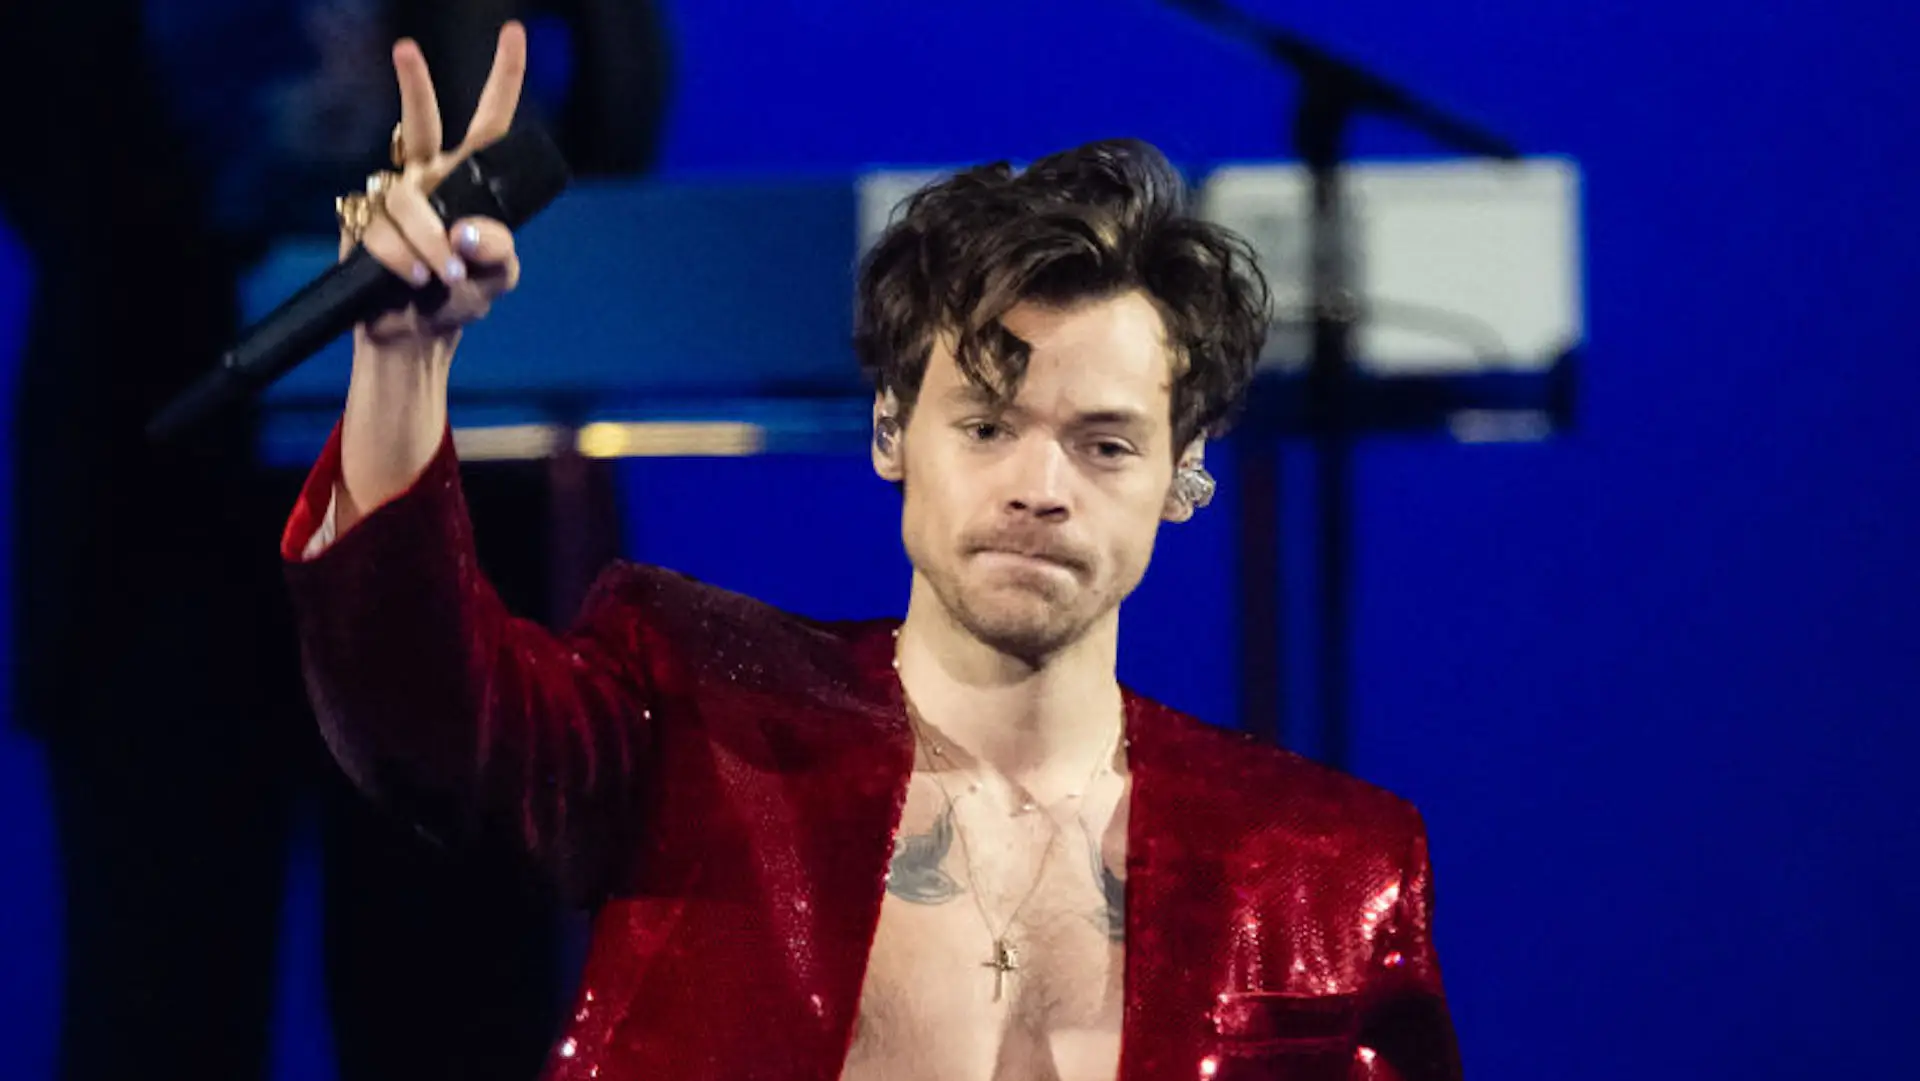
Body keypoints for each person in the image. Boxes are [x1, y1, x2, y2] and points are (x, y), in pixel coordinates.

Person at [282, 22, 1461, 1080]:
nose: (1040, 489)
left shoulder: (1328, 872)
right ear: (894, 429)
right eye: (988, 426)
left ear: (1183, 470)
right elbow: (422, 716)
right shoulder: (701, 719)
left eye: (1105, 444)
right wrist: (404, 358)